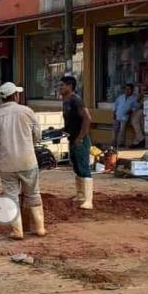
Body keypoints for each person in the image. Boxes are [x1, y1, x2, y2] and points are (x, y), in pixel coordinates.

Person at [0, 82, 45, 240]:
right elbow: (37, 134)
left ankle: (17, 231)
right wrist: (29, 144)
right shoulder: (27, 111)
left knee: (11, 197)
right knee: (33, 194)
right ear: (15, 96)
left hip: (7, 165)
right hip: (28, 161)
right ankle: (39, 228)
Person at [59, 74, 94, 211]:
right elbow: (71, 121)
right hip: (72, 139)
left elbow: (87, 119)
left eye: (62, 85)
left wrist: (80, 138)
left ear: (70, 86)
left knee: (84, 168)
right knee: (76, 167)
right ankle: (80, 195)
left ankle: (88, 200)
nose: (60, 88)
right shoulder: (65, 101)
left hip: (81, 140)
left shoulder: (76, 100)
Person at [113, 84, 140, 148]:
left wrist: (131, 111)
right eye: (126, 89)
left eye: (129, 89)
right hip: (117, 115)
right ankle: (113, 143)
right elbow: (115, 105)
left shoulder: (134, 98)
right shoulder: (121, 97)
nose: (127, 90)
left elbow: (136, 107)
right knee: (115, 130)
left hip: (125, 116)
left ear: (132, 90)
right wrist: (114, 113)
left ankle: (121, 143)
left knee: (122, 130)